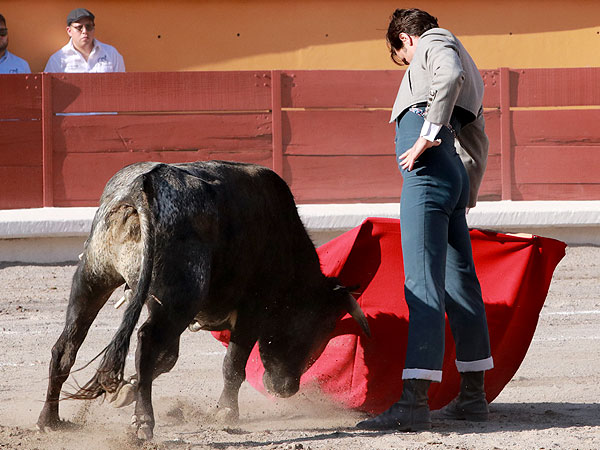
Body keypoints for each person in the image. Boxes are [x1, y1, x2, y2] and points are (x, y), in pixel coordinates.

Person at [357, 8, 493, 431]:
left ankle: (413, 403)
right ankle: (473, 397)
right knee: (460, 285)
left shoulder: (435, 41)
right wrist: (463, 190)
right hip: (450, 173)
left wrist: (427, 137)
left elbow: (446, 76)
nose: (406, 64)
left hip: (430, 169)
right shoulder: (471, 64)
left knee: (422, 282)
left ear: (405, 39)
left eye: (401, 57)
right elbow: (478, 137)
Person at [44, 8, 125, 73]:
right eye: (79, 27)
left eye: (88, 26)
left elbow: (121, 84)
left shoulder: (111, 53)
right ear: (69, 31)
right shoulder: (58, 59)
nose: (85, 31)